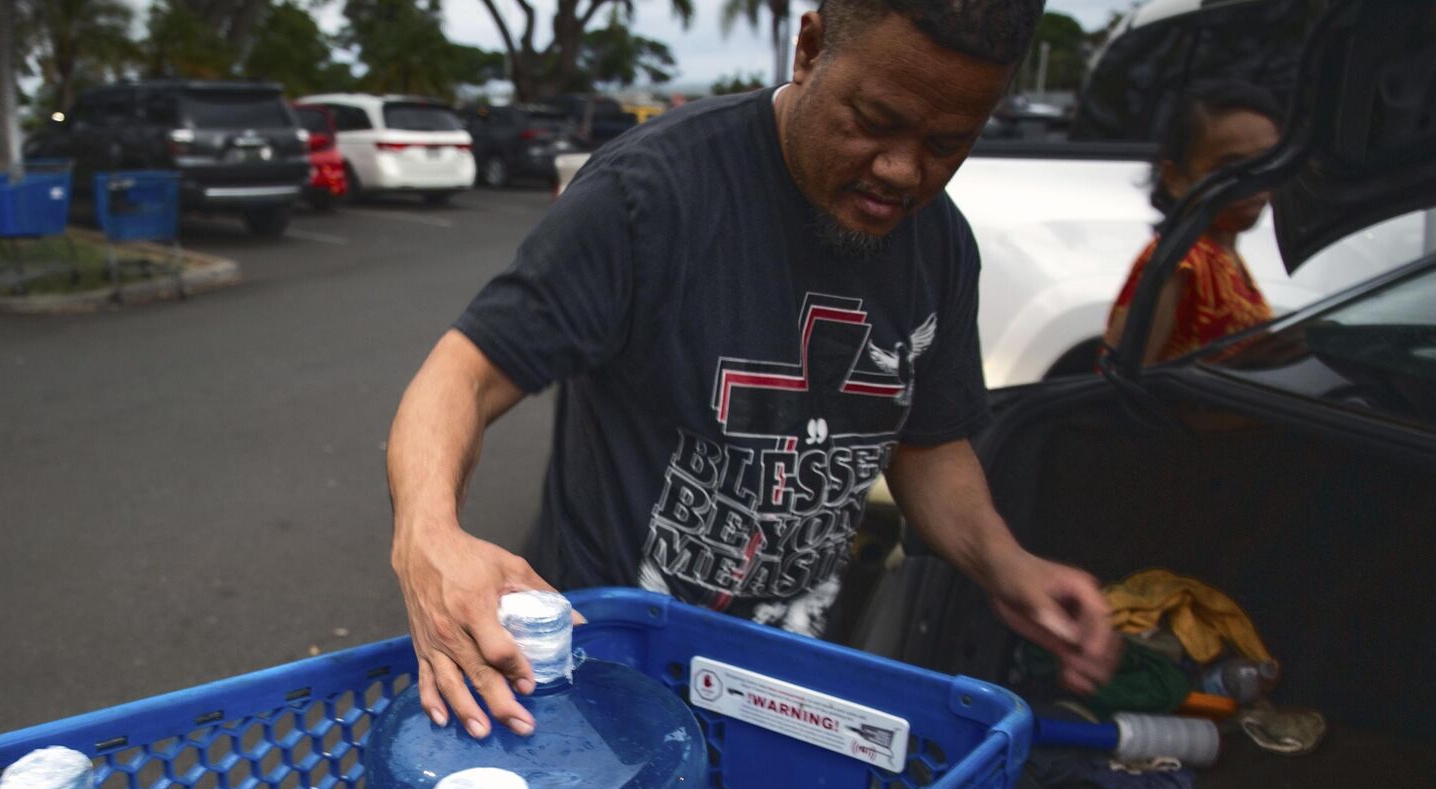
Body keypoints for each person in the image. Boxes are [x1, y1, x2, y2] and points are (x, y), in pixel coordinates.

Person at [385, 0, 1122, 740]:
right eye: (873, 120)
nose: (902, 169)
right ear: (808, 48)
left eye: (947, 141)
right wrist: (430, 537)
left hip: (786, 692)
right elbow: (464, 375)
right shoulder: (653, 193)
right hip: (610, 684)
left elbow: (925, 442)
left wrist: (1005, 563)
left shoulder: (942, 246)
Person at [1104, 81, 1283, 365]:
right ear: (1175, 178)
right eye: (1229, 168)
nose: (1253, 182)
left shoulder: (1223, 254)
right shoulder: (1183, 261)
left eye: (1266, 161)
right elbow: (1124, 377)